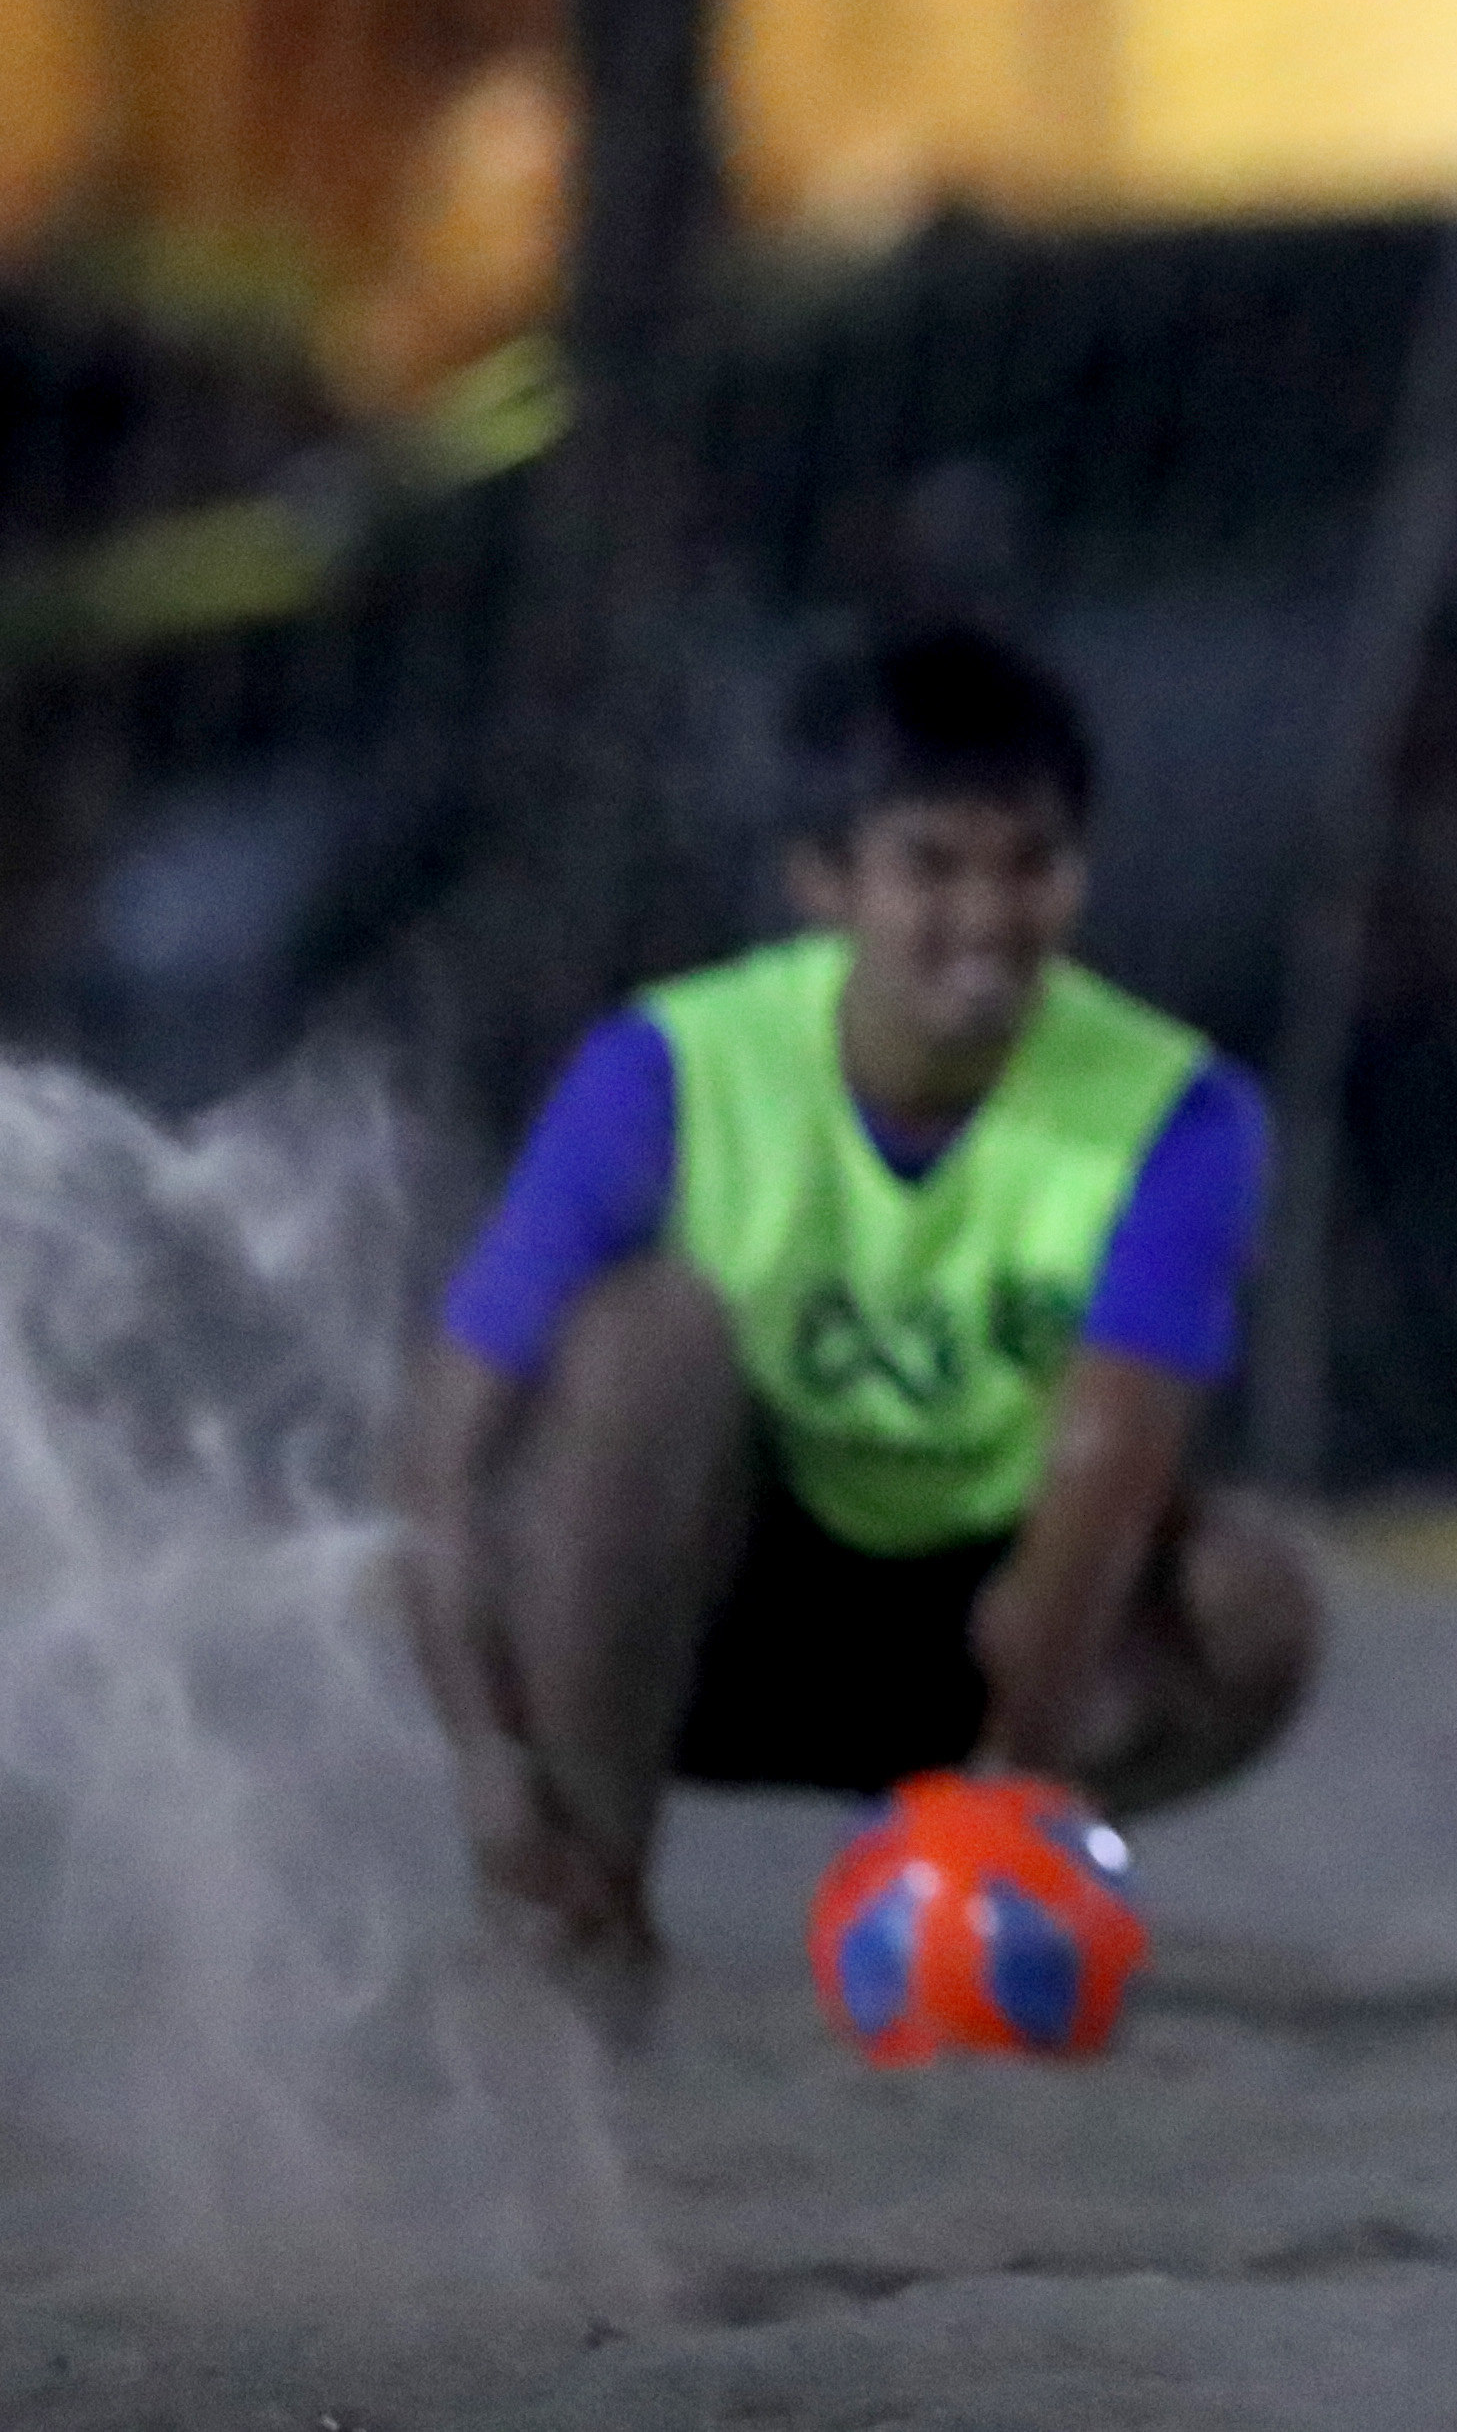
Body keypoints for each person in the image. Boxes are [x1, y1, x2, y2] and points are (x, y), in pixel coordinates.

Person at [399, 624, 1321, 1988]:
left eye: (1031, 864)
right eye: (931, 866)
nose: (989, 917)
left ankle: (963, 1855)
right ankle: (595, 1894)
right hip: (696, 1615)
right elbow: (445, 1442)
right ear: (824, 882)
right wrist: (488, 1759)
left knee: (1251, 1605)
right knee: (647, 1344)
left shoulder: (1183, 1110)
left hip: (971, 1627)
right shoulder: (669, 1060)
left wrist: (1010, 1784)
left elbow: (1109, 1463)